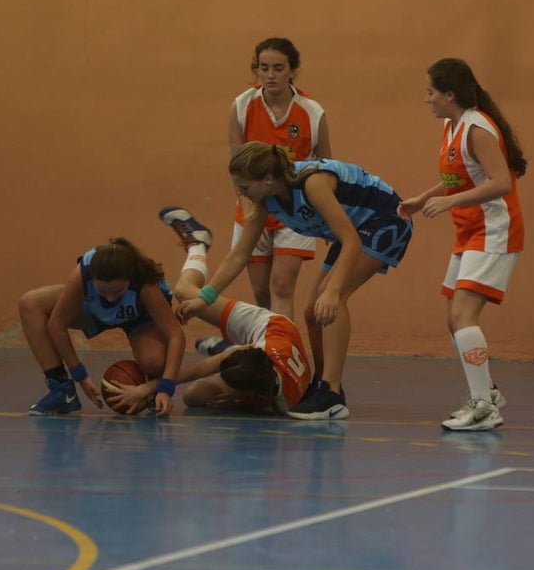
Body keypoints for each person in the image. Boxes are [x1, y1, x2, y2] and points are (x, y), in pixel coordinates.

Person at [177, 142, 412, 420]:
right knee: (313, 312)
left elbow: (350, 240)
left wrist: (334, 291)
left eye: (244, 187)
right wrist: (204, 299)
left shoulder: (312, 183)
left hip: (386, 220)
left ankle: (332, 393)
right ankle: (323, 384)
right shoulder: (264, 198)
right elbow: (239, 254)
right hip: (355, 230)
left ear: (267, 179)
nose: (241, 193)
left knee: (330, 298)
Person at [397, 58, 526, 432]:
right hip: (469, 231)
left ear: (449, 94)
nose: (426, 99)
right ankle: (487, 390)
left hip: (494, 230)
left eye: (430, 92)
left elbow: (502, 182)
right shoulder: (453, 126)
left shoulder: (477, 128)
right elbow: (460, 178)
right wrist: (423, 198)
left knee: (463, 316)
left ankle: (484, 407)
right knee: (453, 318)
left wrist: (451, 202)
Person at [158, 206, 313, 414]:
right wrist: (157, 388)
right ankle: (198, 243)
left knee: (196, 395)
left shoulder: (285, 401)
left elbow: (191, 393)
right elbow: (202, 369)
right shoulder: (275, 388)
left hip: (273, 345)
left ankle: (225, 347)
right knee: (185, 292)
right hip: (272, 327)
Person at [18, 237, 186, 417]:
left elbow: (176, 335)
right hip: (94, 309)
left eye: (118, 291)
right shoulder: (82, 273)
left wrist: (166, 388)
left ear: (129, 279)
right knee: (30, 304)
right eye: (103, 291)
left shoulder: (145, 284)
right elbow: (57, 325)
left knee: (154, 361)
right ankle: (62, 391)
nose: (111, 298)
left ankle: (151, 390)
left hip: (139, 317)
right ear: (93, 278)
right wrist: (80, 376)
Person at [227, 38, 331, 322]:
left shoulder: (312, 112)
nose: (270, 75)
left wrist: (327, 219)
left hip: (294, 209)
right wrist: (249, 209)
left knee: (282, 287)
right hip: (255, 207)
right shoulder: (242, 106)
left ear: (292, 71)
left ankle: (284, 361)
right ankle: (268, 353)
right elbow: (236, 168)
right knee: (261, 293)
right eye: (264, 68)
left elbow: (326, 168)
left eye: (278, 68)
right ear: (256, 70)